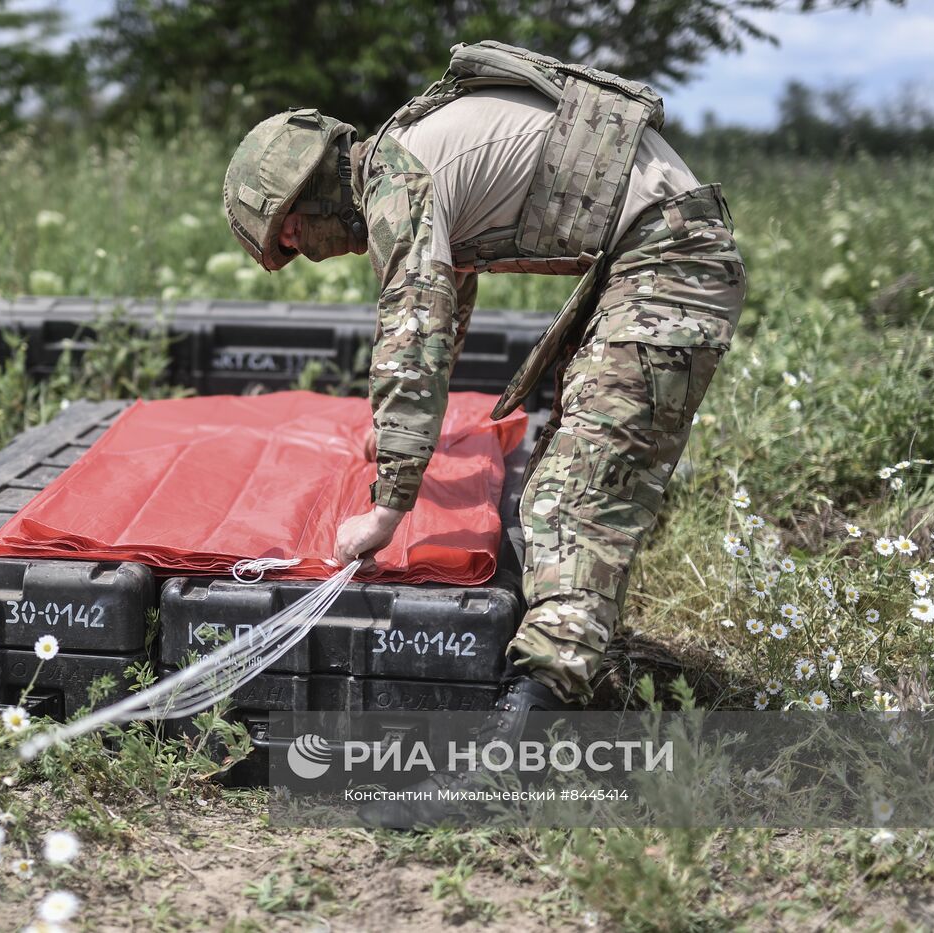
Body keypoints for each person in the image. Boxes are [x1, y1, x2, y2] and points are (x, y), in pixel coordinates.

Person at [222, 42, 746, 827]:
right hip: (652, 254)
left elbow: (416, 319)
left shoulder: (398, 177)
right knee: (564, 483)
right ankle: (585, 673)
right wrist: (394, 434)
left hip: (670, 262)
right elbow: (448, 304)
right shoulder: (412, 157)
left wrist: (389, 504)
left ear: (309, 193)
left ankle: (509, 759)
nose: (300, 252)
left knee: (571, 502)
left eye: (290, 236)